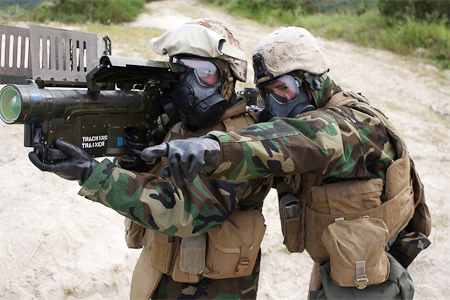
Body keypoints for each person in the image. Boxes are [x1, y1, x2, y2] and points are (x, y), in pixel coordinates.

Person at [142, 27, 432, 299]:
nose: (276, 104)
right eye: (267, 94)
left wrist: (214, 148)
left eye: (283, 89)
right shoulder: (310, 111)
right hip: (344, 256)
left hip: (373, 271)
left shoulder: (355, 123)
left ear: (314, 81)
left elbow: (305, 138)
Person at [29, 18, 273, 300]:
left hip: (213, 289)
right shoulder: (179, 125)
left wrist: (93, 174)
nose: (187, 84)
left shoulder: (240, 137)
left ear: (230, 79)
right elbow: (149, 194)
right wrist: (135, 165)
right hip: (158, 277)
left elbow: (186, 212)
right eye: (180, 72)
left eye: (205, 72)